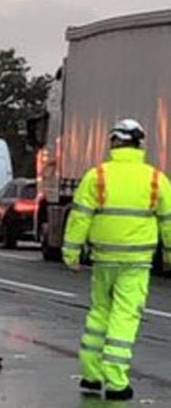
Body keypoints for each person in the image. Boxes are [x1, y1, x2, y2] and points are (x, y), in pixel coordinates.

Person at [63, 118, 171, 401]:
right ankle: (116, 381)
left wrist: (71, 253)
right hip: (137, 261)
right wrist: (170, 254)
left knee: (99, 312)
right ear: (140, 144)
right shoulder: (155, 178)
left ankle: (91, 374)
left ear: (113, 142)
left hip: (103, 259)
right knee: (125, 316)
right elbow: (168, 222)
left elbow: (79, 217)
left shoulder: (96, 176)